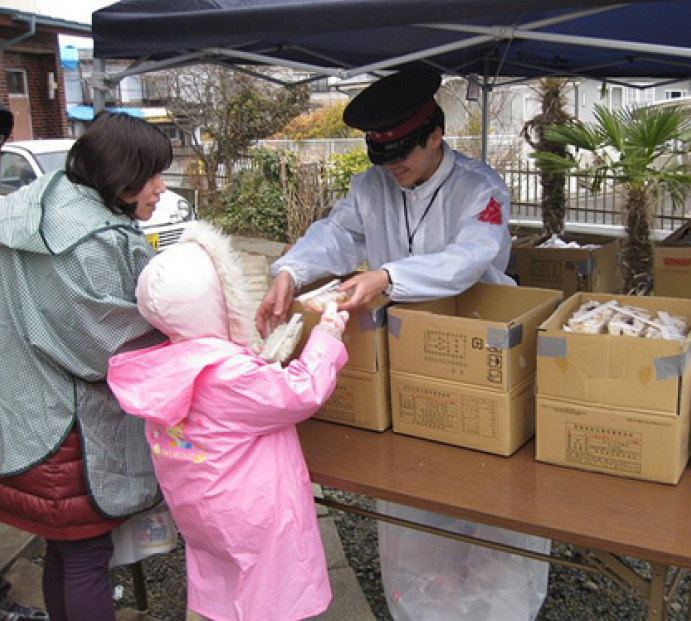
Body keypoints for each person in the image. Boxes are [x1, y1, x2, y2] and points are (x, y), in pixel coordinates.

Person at [107, 221, 350, 621]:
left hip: (202, 510)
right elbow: (302, 390)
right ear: (217, 300)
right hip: (252, 511)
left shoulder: (165, 365)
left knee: (219, 580)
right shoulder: (229, 374)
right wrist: (328, 331)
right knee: (269, 592)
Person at [0, 111, 172, 621]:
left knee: (64, 547)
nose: (161, 189)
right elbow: (111, 349)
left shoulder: (29, 208)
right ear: (119, 176)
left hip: (21, 415)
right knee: (87, 558)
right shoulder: (92, 241)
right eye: (151, 176)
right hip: (69, 428)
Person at [255, 63, 515, 335]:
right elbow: (339, 234)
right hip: (400, 326)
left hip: (474, 323)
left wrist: (388, 277)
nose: (393, 167)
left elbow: (468, 258)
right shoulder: (373, 185)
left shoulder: (480, 188)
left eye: (402, 155)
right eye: (383, 158)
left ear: (435, 136)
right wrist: (292, 272)